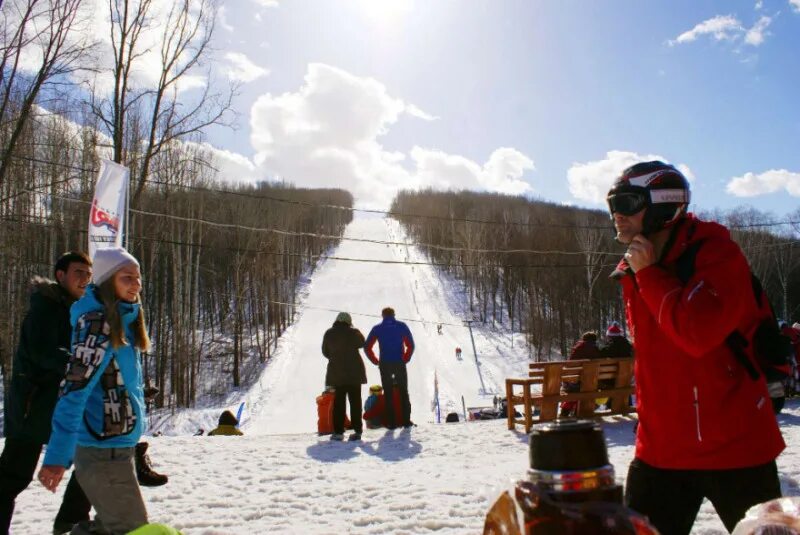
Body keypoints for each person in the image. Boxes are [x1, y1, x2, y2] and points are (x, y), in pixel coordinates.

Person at [607, 161, 784, 535]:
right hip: (660, 450)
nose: (617, 214)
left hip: (736, 447)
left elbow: (697, 334)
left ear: (662, 205)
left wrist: (650, 275)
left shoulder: (716, 255)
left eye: (627, 202)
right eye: (612, 205)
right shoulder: (634, 266)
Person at [38, 246, 152, 534]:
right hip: (102, 451)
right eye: (126, 278)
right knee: (131, 529)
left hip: (115, 448)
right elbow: (74, 392)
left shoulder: (122, 320)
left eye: (138, 278)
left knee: (111, 527)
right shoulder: (98, 324)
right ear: (106, 280)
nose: (135, 285)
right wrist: (57, 457)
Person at [0, 252, 93, 535]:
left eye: (88, 275)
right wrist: (78, 363)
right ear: (60, 275)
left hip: (64, 404)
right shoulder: (45, 306)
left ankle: (70, 522)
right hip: (34, 404)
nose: (85, 280)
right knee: (12, 477)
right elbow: (44, 353)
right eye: (79, 272)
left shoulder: (81, 311)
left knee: (92, 461)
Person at [365, 307, 415, 429]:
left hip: (385, 364)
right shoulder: (401, 326)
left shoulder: (377, 328)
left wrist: (376, 361)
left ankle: (391, 423)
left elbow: (367, 347)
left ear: (382, 316)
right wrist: (405, 359)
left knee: (388, 393)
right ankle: (406, 421)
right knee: (404, 392)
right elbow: (411, 345)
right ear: (394, 315)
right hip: (399, 362)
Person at [321, 312, 367, 441]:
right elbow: (362, 343)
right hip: (354, 375)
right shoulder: (354, 332)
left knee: (339, 404)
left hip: (337, 374)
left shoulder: (329, 333)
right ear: (348, 322)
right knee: (355, 403)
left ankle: (338, 432)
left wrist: (335, 357)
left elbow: (325, 351)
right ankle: (357, 431)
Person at [559, 332, 602, 418]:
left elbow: (570, 366)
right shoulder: (596, 350)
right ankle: (580, 410)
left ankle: (565, 412)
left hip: (576, 382)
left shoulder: (578, 349)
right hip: (591, 383)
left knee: (572, 389)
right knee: (583, 388)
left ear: (583, 339)